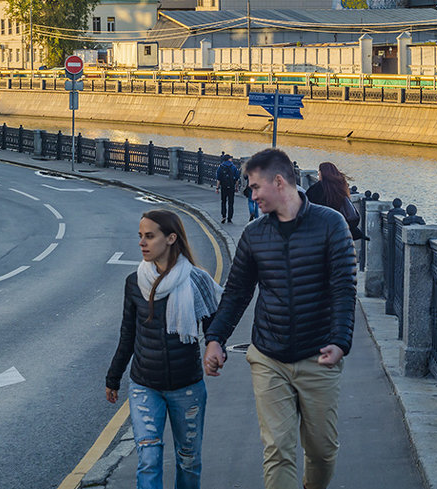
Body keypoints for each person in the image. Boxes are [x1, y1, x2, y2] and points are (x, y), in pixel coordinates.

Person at [203, 148, 357, 489]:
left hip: (319, 355)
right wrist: (215, 339)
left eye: (256, 187)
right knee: (278, 449)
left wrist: (339, 342)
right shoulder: (255, 234)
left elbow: (345, 289)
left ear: (278, 181)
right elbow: (236, 293)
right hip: (269, 356)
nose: (252, 194)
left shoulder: (331, 224)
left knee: (322, 451)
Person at [106, 209, 222, 489]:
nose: (142, 243)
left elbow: (215, 328)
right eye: (140, 236)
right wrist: (113, 377)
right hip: (145, 385)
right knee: (148, 457)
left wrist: (215, 350)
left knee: (189, 460)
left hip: (187, 387)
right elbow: (128, 334)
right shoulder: (134, 283)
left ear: (171, 238)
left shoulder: (196, 280)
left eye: (149, 236)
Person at [305, 162, 365, 241]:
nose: (318, 174)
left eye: (319, 171)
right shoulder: (340, 188)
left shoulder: (316, 190)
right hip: (339, 230)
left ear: (322, 173)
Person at [215, 154, 240, 225]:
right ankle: (229, 218)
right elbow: (237, 179)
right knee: (231, 203)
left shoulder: (221, 167)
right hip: (231, 187)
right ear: (229, 159)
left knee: (223, 202)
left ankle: (223, 216)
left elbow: (218, 179)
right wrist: (236, 188)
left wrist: (217, 188)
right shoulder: (234, 167)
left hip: (224, 187)